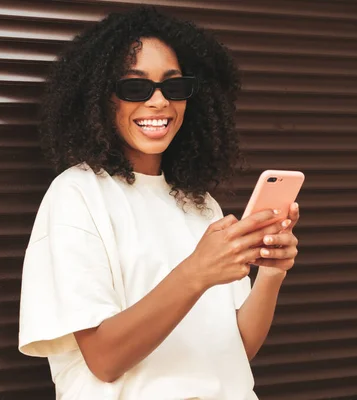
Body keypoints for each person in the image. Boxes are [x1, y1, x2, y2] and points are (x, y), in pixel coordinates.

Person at [18, 6, 300, 400]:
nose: (158, 102)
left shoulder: (202, 206)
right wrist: (196, 272)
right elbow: (104, 358)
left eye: (174, 86)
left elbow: (236, 351)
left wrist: (271, 275)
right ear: (101, 97)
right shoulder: (77, 194)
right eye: (135, 88)